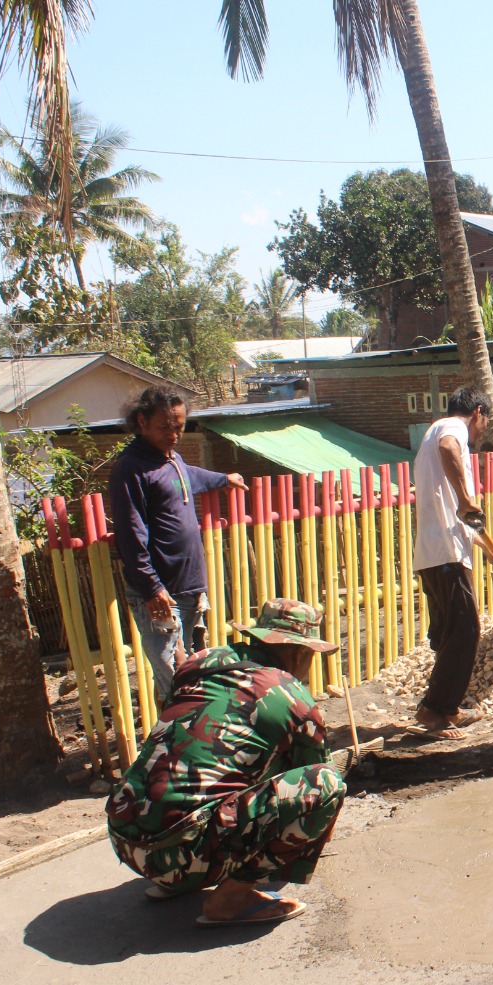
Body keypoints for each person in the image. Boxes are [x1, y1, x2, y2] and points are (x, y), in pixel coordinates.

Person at [106, 598, 346, 927]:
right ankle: (230, 898)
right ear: (300, 651)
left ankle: (174, 878)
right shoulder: (291, 699)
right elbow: (315, 778)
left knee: (217, 766)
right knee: (327, 786)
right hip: (181, 854)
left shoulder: (198, 666)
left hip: (124, 839)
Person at [109, 386, 246, 703]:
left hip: (188, 588)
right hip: (161, 594)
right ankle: (178, 747)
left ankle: (184, 744)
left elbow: (190, 476)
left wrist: (224, 479)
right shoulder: (131, 469)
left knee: (191, 677)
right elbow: (130, 533)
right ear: (141, 421)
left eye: (179, 426)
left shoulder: (172, 460)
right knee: (176, 683)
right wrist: (151, 586)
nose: (174, 434)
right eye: (165, 427)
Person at [410, 386, 493, 741]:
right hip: (445, 554)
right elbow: (450, 450)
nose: (481, 432)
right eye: (485, 424)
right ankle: (435, 711)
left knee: (450, 631)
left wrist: (487, 547)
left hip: (435, 550)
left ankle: (446, 707)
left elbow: (448, 511)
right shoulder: (451, 430)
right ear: (477, 412)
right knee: (465, 629)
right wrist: (465, 497)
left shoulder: (433, 432)